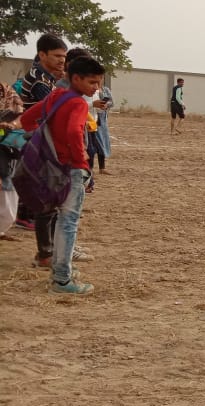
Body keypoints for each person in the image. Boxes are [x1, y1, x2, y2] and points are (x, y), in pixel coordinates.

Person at [20, 56, 106, 294]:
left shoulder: (55, 96)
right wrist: (82, 162)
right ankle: (62, 280)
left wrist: (47, 144)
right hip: (70, 169)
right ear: (76, 78)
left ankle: (59, 271)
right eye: (92, 82)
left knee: (60, 220)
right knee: (68, 223)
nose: (96, 88)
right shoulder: (78, 103)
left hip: (51, 168)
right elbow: (73, 132)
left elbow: (27, 120)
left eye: (99, 83)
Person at [17, 34, 67, 264]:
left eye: (63, 56)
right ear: (42, 54)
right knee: (47, 199)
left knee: (50, 198)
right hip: (39, 142)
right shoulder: (39, 80)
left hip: (41, 140)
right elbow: (51, 111)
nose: (61, 60)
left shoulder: (46, 77)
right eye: (57, 56)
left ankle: (52, 248)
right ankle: (46, 252)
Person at [0, 82, 24, 242]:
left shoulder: (6, 90)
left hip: (7, 149)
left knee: (8, 192)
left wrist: (12, 125)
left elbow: (21, 115)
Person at [87, 84, 113, 176]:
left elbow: (99, 109)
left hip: (96, 122)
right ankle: (89, 170)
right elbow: (79, 105)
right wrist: (93, 104)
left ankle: (100, 168)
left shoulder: (100, 91)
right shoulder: (83, 91)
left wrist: (102, 107)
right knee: (90, 148)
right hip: (86, 123)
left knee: (98, 145)